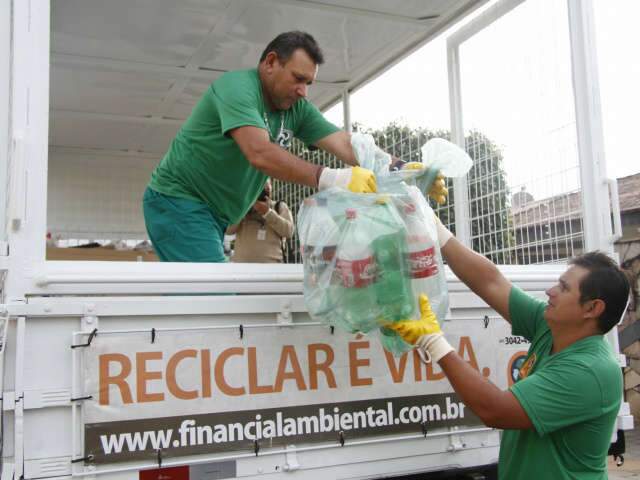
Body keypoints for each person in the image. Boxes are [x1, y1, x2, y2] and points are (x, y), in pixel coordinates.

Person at [388, 218, 630, 480]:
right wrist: (435, 227)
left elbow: (496, 410)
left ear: (592, 308)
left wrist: (433, 341)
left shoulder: (589, 370)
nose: (550, 291)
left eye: (563, 288)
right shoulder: (550, 327)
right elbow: (491, 282)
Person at [142, 31, 378, 263]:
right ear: (271, 62)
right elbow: (259, 153)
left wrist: (395, 166)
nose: (303, 91)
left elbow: (343, 143)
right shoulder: (236, 88)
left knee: (198, 296)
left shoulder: (297, 109)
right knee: (214, 297)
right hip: (178, 200)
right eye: (297, 78)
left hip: (216, 214)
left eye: (308, 83)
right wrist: (331, 178)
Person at [227, 179, 293, 263]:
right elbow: (228, 230)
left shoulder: (279, 206)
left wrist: (267, 212)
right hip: (241, 269)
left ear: (270, 188)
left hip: (271, 269)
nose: (262, 190)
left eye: (266, 186)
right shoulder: (242, 208)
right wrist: (243, 210)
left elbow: (289, 231)